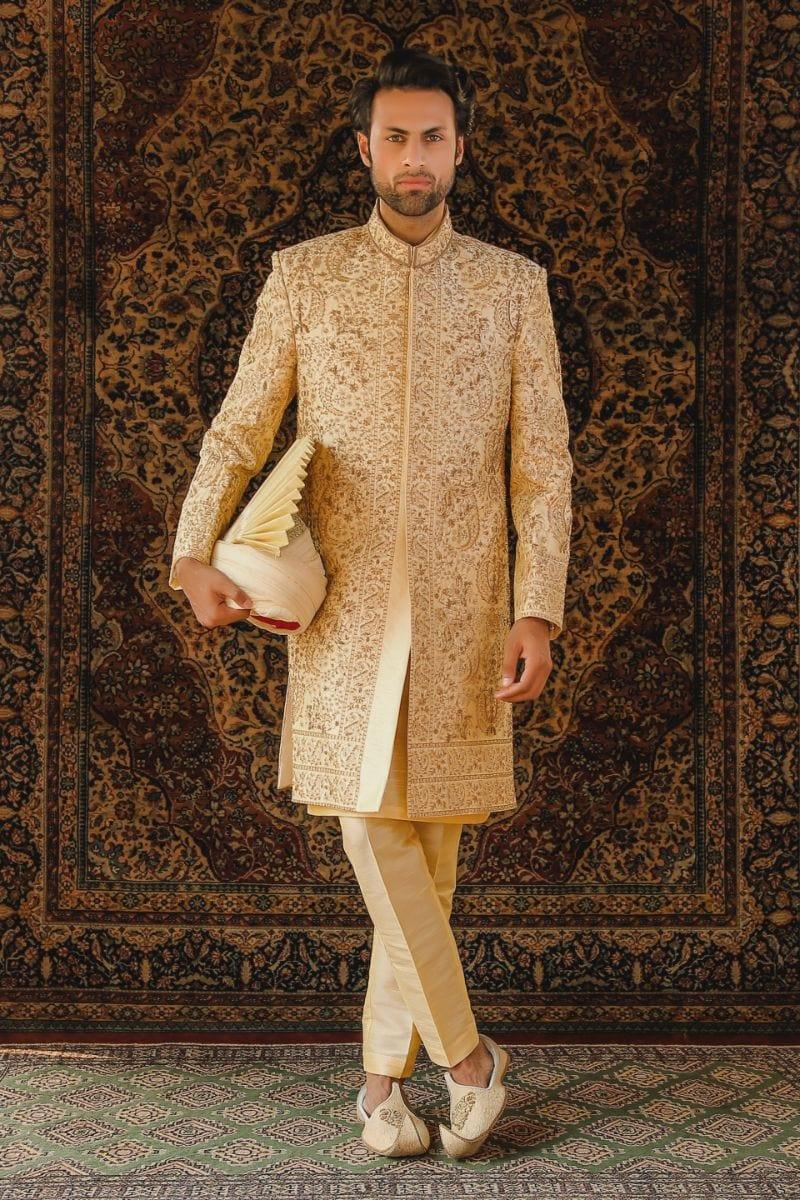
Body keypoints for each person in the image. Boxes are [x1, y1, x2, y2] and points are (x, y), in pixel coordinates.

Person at [170, 47, 573, 1158]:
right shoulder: (304, 278)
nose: (414, 156)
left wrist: (536, 609)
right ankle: (470, 1060)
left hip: (463, 609)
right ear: (364, 149)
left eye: (432, 136)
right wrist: (190, 551)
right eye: (394, 137)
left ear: (459, 148)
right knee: (366, 824)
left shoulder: (510, 287)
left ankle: (377, 1091)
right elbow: (238, 429)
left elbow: (543, 469)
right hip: (341, 611)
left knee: (427, 852)